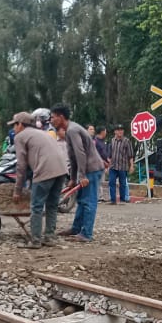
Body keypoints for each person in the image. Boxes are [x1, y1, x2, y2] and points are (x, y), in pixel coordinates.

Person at [10, 111, 68, 248]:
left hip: (45, 171)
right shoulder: (42, 133)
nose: (13, 128)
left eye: (14, 125)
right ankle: (49, 237)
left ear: (20, 125)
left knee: (36, 206)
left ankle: (35, 240)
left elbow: (21, 166)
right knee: (52, 205)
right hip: (61, 170)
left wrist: (17, 190)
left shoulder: (20, 137)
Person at [51, 103, 105, 242]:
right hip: (86, 170)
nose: (51, 121)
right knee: (81, 200)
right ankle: (76, 228)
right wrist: (73, 178)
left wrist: (82, 175)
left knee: (88, 201)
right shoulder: (70, 130)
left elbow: (80, 153)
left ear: (61, 117)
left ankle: (86, 234)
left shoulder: (73, 130)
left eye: (53, 117)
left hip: (92, 169)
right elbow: (73, 156)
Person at [106, 123, 134, 206]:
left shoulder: (126, 141)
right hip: (113, 166)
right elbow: (109, 155)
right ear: (115, 132)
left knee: (122, 184)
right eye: (118, 130)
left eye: (121, 130)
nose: (120, 132)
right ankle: (113, 200)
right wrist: (108, 166)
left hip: (123, 166)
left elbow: (130, 155)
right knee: (111, 183)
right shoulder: (112, 141)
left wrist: (131, 166)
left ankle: (122, 200)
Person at [92, 126, 110, 202]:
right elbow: (95, 153)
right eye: (105, 131)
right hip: (97, 164)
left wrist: (108, 161)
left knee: (101, 181)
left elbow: (104, 153)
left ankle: (100, 196)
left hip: (104, 165)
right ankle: (97, 197)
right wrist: (103, 161)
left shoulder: (103, 141)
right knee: (97, 181)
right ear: (102, 132)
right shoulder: (95, 141)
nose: (106, 133)